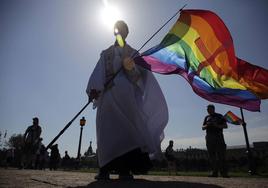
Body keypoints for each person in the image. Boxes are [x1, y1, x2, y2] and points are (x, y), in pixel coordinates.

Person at [86, 20, 168, 180]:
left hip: (127, 98)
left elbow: (142, 77)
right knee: (106, 132)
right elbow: (98, 72)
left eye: (123, 30)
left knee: (127, 132)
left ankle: (125, 169)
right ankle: (105, 169)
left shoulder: (134, 53)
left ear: (126, 33)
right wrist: (94, 89)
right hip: (108, 97)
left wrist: (131, 68)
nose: (120, 33)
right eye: (117, 30)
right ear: (114, 32)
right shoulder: (106, 53)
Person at [202, 104, 229, 178]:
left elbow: (225, 126)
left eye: (209, 109)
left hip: (218, 136)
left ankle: (224, 173)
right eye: (207, 109)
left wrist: (216, 125)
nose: (208, 110)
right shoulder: (207, 117)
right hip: (209, 137)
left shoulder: (219, 116)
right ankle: (214, 172)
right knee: (212, 156)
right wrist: (207, 125)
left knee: (221, 155)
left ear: (213, 109)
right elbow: (203, 127)